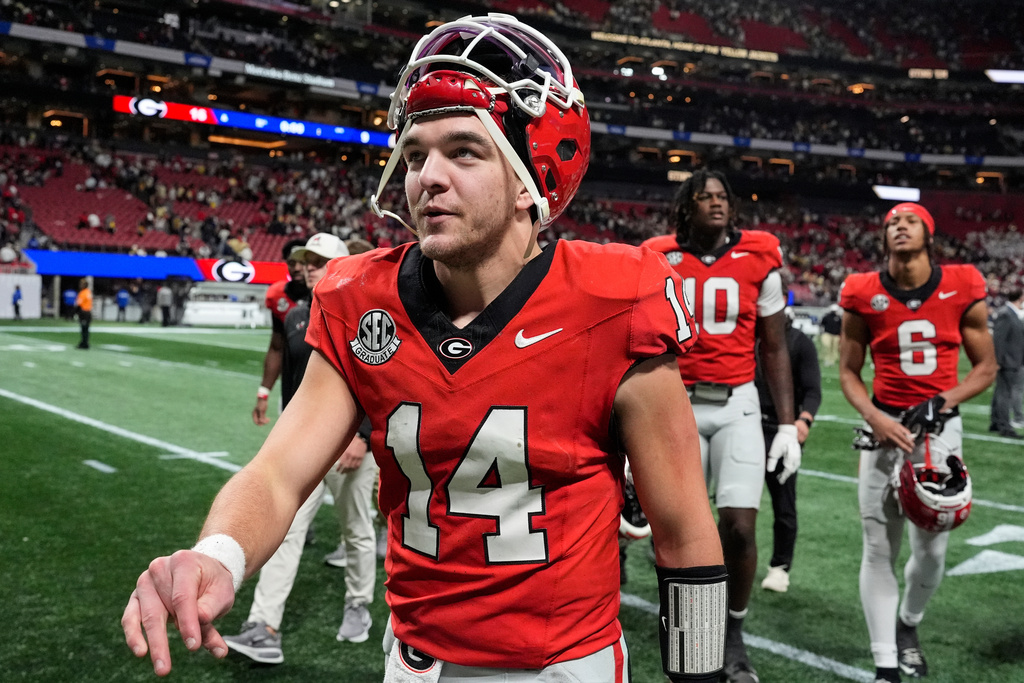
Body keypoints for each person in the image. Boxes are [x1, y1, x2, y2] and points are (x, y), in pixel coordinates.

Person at [122, 15, 727, 683]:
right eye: (415, 155)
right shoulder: (359, 296)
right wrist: (218, 555)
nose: (426, 177)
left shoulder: (616, 297)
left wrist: (697, 673)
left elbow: (682, 532)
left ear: (532, 175)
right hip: (415, 662)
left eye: (464, 150)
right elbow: (278, 472)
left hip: (561, 666)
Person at [643, 168, 800, 683]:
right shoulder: (657, 254)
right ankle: (683, 620)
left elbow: (774, 347)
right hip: (676, 404)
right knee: (678, 528)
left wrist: (783, 424)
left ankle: (732, 632)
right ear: (685, 206)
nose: (715, 203)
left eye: (722, 197)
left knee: (738, 525)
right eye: (704, 196)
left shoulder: (761, 255)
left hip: (738, 404)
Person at [838, 202, 996, 683]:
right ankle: (886, 663)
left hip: (939, 432)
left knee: (932, 551)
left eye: (908, 220)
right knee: (877, 548)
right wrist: (874, 417)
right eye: (890, 222)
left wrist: (942, 400)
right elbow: (848, 371)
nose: (898, 226)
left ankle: (909, 624)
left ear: (929, 233)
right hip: (883, 430)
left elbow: (987, 368)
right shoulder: (862, 291)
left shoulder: (963, 283)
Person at [222, 232, 380, 664]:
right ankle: (263, 626)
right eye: (306, 259)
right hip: (304, 444)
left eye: (318, 260)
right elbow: (290, 376)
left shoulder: (367, 311)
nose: (307, 266)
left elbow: (379, 380)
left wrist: (362, 435)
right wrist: (263, 394)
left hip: (349, 444)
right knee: (287, 530)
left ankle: (358, 605)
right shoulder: (293, 312)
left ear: (342, 265)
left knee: (356, 529)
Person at [756, 307, 821, 593]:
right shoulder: (749, 340)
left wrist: (803, 419)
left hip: (781, 428)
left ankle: (780, 567)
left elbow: (812, 389)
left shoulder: (798, 342)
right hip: (744, 425)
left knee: (784, 502)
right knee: (733, 505)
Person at [989, 288, 1024, 438]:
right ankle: (1004, 426)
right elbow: (999, 340)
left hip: (1012, 359)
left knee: (1001, 392)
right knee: (1005, 394)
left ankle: (996, 422)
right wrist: (998, 360)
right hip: (1008, 360)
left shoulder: (1011, 313)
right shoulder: (1006, 314)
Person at [75, 278, 92, 349]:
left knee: (84, 329)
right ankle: (85, 342)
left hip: (84, 312)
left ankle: (84, 343)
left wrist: (76, 312)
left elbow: (79, 304)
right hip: (88, 312)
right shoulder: (88, 292)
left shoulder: (82, 293)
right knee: (86, 329)